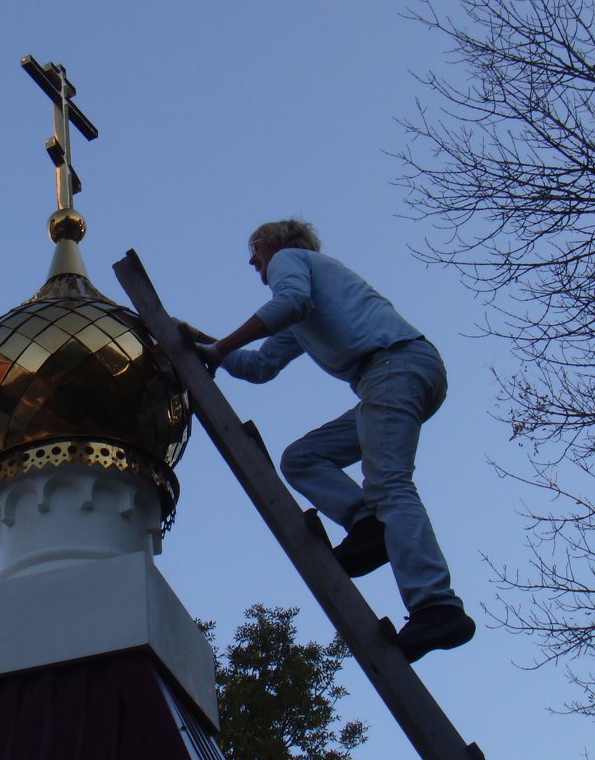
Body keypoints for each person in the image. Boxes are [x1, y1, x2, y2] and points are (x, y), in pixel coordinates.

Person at [193, 218, 474, 662]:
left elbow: (287, 302)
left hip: (392, 366)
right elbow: (262, 366)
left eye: (256, 249)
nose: (253, 261)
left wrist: (219, 347)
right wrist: (203, 344)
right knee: (303, 458)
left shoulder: (293, 262)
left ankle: (436, 605)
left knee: (389, 483)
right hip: (392, 373)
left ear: (280, 242)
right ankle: (368, 525)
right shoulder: (309, 301)